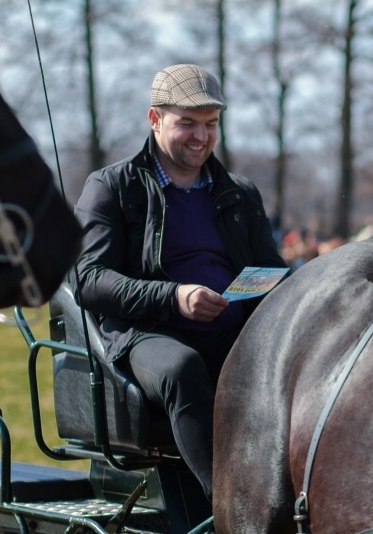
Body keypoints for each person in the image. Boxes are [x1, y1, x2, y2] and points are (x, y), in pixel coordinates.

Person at [74, 64, 286, 501]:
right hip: (148, 334)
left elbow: (270, 269)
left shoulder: (241, 194)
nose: (201, 136)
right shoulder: (112, 187)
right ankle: (227, 508)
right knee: (183, 368)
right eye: (187, 123)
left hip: (234, 332)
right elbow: (89, 280)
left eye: (211, 124)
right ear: (154, 119)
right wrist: (173, 297)